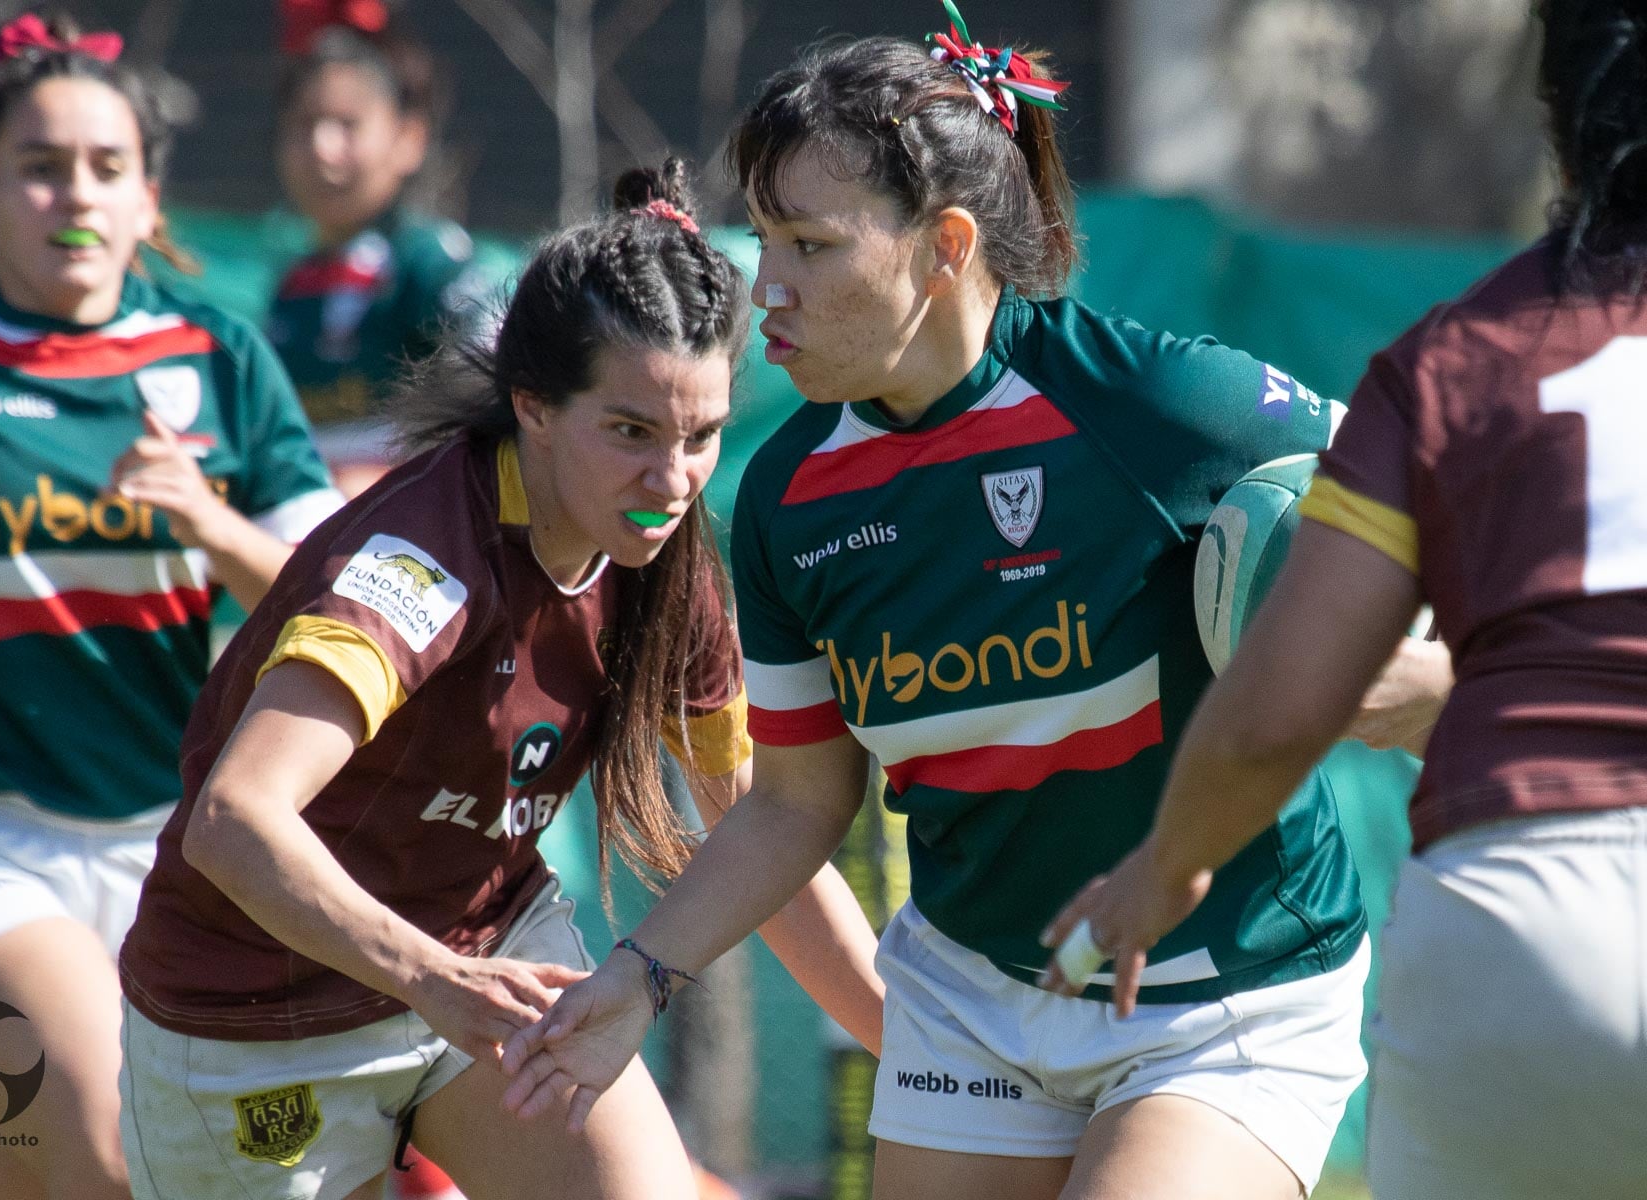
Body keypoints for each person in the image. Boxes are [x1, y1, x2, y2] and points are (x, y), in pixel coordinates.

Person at [498, 6, 1452, 1198]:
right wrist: (637, 978)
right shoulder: (791, 501)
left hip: (1223, 991)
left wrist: (1433, 668)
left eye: (810, 246)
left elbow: (1439, 492)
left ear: (946, 246)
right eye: (764, 241)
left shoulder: (1161, 408)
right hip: (973, 997)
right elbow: (796, 807)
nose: (766, 289)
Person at [116, 160, 882, 1200]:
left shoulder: (669, 557)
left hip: (488, 963)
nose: (670, 481)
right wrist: (433, 980)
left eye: (699, 438)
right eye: (630, 431)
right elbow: (235, 820)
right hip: (259, 1016)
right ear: (532, 405)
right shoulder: (422, 561)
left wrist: (919, 1052)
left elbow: (759, 818)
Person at [1039, 1, 1647, 1197]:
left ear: (1557, 132)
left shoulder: (1449, 360)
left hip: (1517, 921)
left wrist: (1168, 867)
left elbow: (1282, 707)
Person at [0, 15, 341, 1199]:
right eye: (39, 166)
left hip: (175, 854)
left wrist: (213, 527)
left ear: (147, 199)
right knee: (105, 1126)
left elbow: (342, 607)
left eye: (107, 168)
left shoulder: (218, 358)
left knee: (62, 1167)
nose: (77, 195)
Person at [267, 0, 488, 497]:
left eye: (347, 124)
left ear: (408, 138)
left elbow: (499, 376)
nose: (322, 147)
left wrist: (399, 481)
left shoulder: (429, 262)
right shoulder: (291, 285)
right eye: (305, 124)